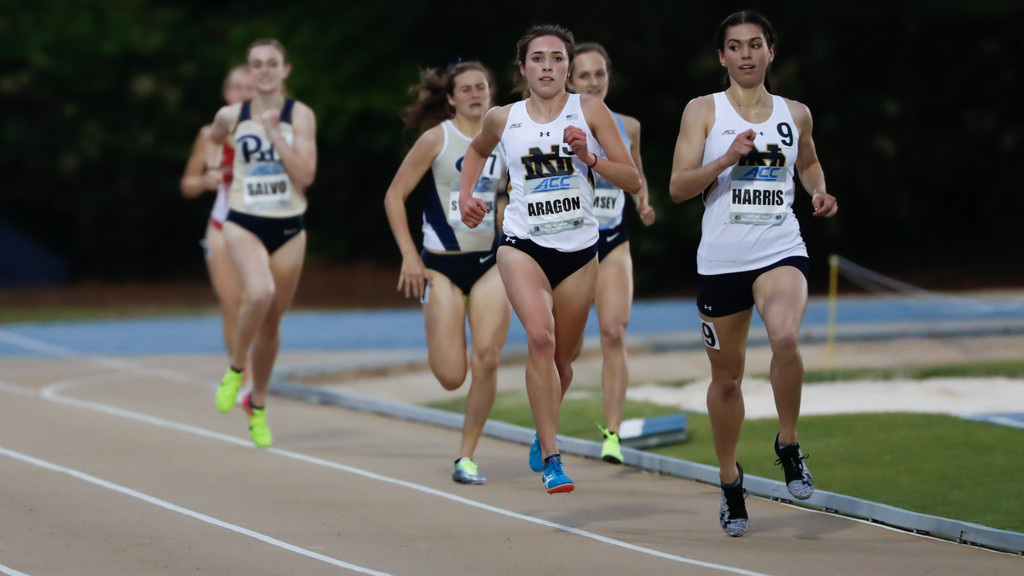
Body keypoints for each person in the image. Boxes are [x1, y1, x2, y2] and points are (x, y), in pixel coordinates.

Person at [668, 11, 838, 536]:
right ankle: (730, 481)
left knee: (785, 337)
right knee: (727, 380)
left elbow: (807, 161)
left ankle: (787, 443)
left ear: (770, 52)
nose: (745, 54)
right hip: (721, 262)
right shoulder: (702, 111)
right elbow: (677, 187)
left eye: (755, 45)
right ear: (722, 57)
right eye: (735, 47)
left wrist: (817, 191)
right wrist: (724, 160)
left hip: (779, 247)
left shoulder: (795, 113)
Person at [460, 25, 641, 494]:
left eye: (557, 58)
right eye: (537, 58)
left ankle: (544, 435)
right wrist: (467, 197)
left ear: (568, 67)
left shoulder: (592, 111)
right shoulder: (504, 118)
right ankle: (554, 456)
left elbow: (633, 180)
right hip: (521, 245)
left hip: (581, 253)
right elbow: (475, 153)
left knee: (564, 358)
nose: (547, 66)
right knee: (540, 338)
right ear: (523, 68)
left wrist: (591, 158)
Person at [383, 61, 512, 485]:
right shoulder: (436, 139)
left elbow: (509, 196)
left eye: (482, 86)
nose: (476, 94)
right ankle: (441, 328)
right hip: (440, 267)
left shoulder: (508, 138)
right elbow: (394, 197)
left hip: (491, 264)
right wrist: (409, 256)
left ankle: (466, 456)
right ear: (452, 98)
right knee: (451, 375)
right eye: (467, 89)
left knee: (488, 359)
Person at [209, 39, 318, 448]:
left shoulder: (300, 115)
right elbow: (211, 136)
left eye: (272, 63)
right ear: (249, 72)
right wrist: (211, 161)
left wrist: (275, 134)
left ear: (285, 70)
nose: (265, 71)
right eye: (257, 64)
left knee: (272, 322)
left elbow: (305, 175)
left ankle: (258, 403)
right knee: (259, 292)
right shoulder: (231, 115)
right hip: (243, 221)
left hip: (289, 226)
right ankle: (236, 369)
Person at [567, 43, 655, 465]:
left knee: (614, 333)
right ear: (570, 80)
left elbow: (636, 173)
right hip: (568, 248)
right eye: (584, 75)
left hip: (613, 241)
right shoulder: (552, 125)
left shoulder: (629, 125)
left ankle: (613, 435)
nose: (593, 82)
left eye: (599, 74)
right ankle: (545, 427)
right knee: (564, 348)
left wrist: (643, 202)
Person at [181, 65, 255, 405]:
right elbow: (188, 184)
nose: (239, 93)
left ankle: (257, 370)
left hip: (257, 226)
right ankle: (242, 375)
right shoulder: (207, 134)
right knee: (231, 304)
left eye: (246, 88)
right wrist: (204, 181)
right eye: (234, 87)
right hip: (221, 225)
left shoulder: (268, 131)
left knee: (258, 302)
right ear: (226, 92)